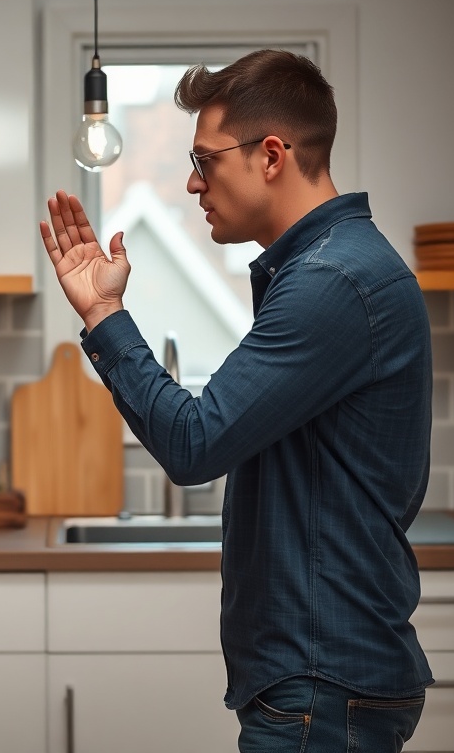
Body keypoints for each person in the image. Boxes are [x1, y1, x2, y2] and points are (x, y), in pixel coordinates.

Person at [39, 49, 432, 752]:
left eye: (205, 160)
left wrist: (104, 315)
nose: (192, 183)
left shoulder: (332, 281)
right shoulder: (329, 269)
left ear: (272, 155)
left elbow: (196, 443)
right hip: (326, 680)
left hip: (322, 684)